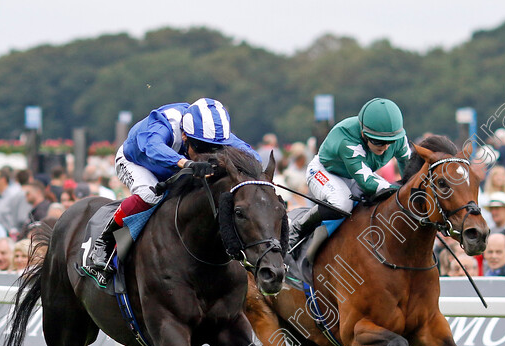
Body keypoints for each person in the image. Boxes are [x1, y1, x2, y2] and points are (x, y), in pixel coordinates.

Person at [88, 98, 259, 269]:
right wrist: (187, 163)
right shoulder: (166, 121)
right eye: (201, 148)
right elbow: (153, 147)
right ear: (184, 135)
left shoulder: (213, 133)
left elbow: (251, 155)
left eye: (213, 149)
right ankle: (104, 243)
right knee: (150, 195)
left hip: (176, 166)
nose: (206, 154)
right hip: (137, 161)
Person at [289, 98, 411, 247]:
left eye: (390, 142)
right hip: (324, 171)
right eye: (378, 141)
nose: (385, 147)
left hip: (355, 175)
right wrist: (403, 191)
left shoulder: (398, 138)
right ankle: (298, 228)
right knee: (342, 203)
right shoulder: (348, 140)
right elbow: (367, 184)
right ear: (364, 134)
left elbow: (411, 171)